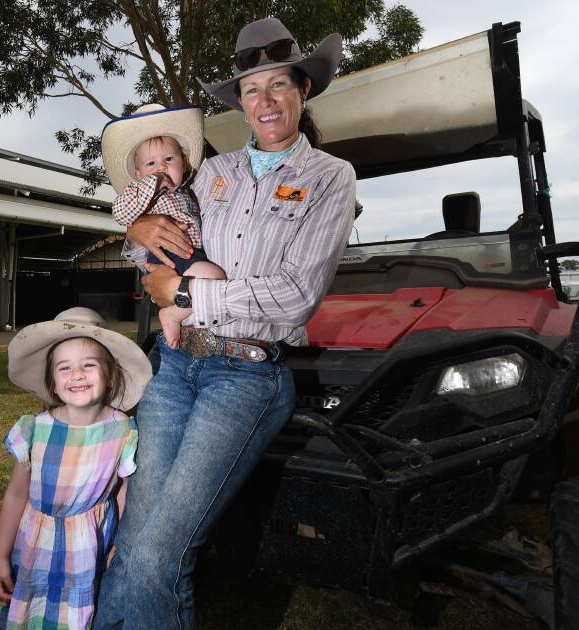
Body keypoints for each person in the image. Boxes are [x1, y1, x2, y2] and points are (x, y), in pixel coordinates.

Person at [93, 17, 357, 629]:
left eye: (278, 86)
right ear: (239, 101)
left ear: (303, 90)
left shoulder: (329, 178)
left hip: (246, 375)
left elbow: (294, 298)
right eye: (251, 89)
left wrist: (184, 293)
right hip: (177, 362)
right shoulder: (213, 173)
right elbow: (166, 235)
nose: (264, 102)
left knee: (163, 549)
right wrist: (137, 229)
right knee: (136, 537)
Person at [0, 307, 153, 630]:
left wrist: (119, 545)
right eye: (65, 368)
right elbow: (16, 496)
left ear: (110, 375)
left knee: (76, 614)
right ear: (53, 383)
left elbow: (125, 494)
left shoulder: (124, 430)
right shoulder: (35, 429)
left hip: (87, 548)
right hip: (35, 544)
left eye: (89, 365)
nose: (77, 375)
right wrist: (0, 558)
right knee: (34, 611)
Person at [104, 104, 227, 349]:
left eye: (169, 159)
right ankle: (173, 315)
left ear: (183, 164)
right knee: (214, 277)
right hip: (170, 255)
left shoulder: (190, 192)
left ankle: (185, 317)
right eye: (150, 164)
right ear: (138, 174)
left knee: (210, 279)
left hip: (190, 253)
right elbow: (120, 213)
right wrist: (154, 182)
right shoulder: (142, 193)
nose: (161, 167)